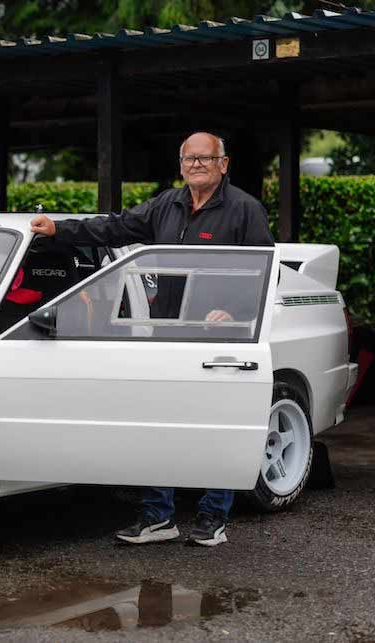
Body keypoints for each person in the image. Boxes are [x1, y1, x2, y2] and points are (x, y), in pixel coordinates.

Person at [29, 131, 274, 547]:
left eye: (205, 158)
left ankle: (213, 518)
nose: (197, 165)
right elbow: (115, 227)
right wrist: (58, 228)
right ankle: (159, 518)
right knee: (161, 423)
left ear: (224, 164)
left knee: (214, 428)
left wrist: (232, 312)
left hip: (220, 337)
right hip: (167, 335)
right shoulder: (167, 204)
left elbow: (265, 272)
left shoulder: (245, 210)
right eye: (190, 159)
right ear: (181, 165)